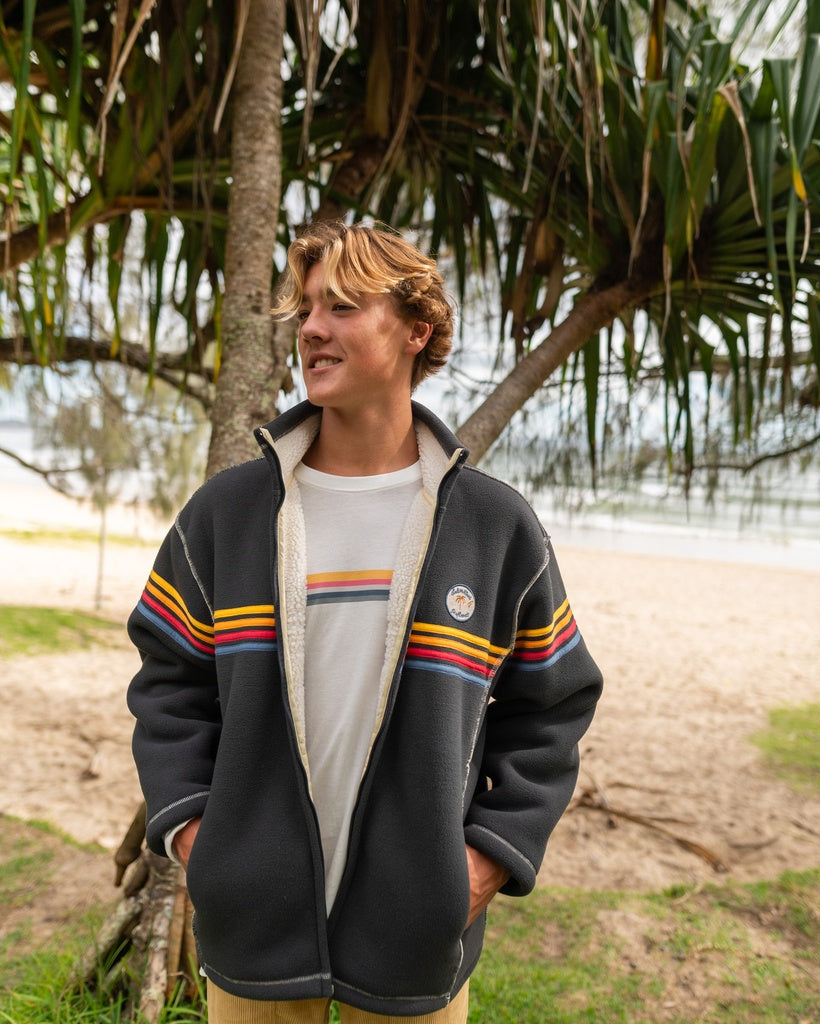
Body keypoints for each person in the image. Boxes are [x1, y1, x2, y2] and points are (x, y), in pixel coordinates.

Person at [126, 221, 602, 1024]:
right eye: (307, 309)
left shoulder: (492, 527)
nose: (312, 328)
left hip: (416, 940)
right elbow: (167, 684)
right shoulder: (226, 516)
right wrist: (203, 845)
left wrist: (484, 863)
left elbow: (553, 706)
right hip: (251, 937)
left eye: (342, 307)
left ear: (417, 329)